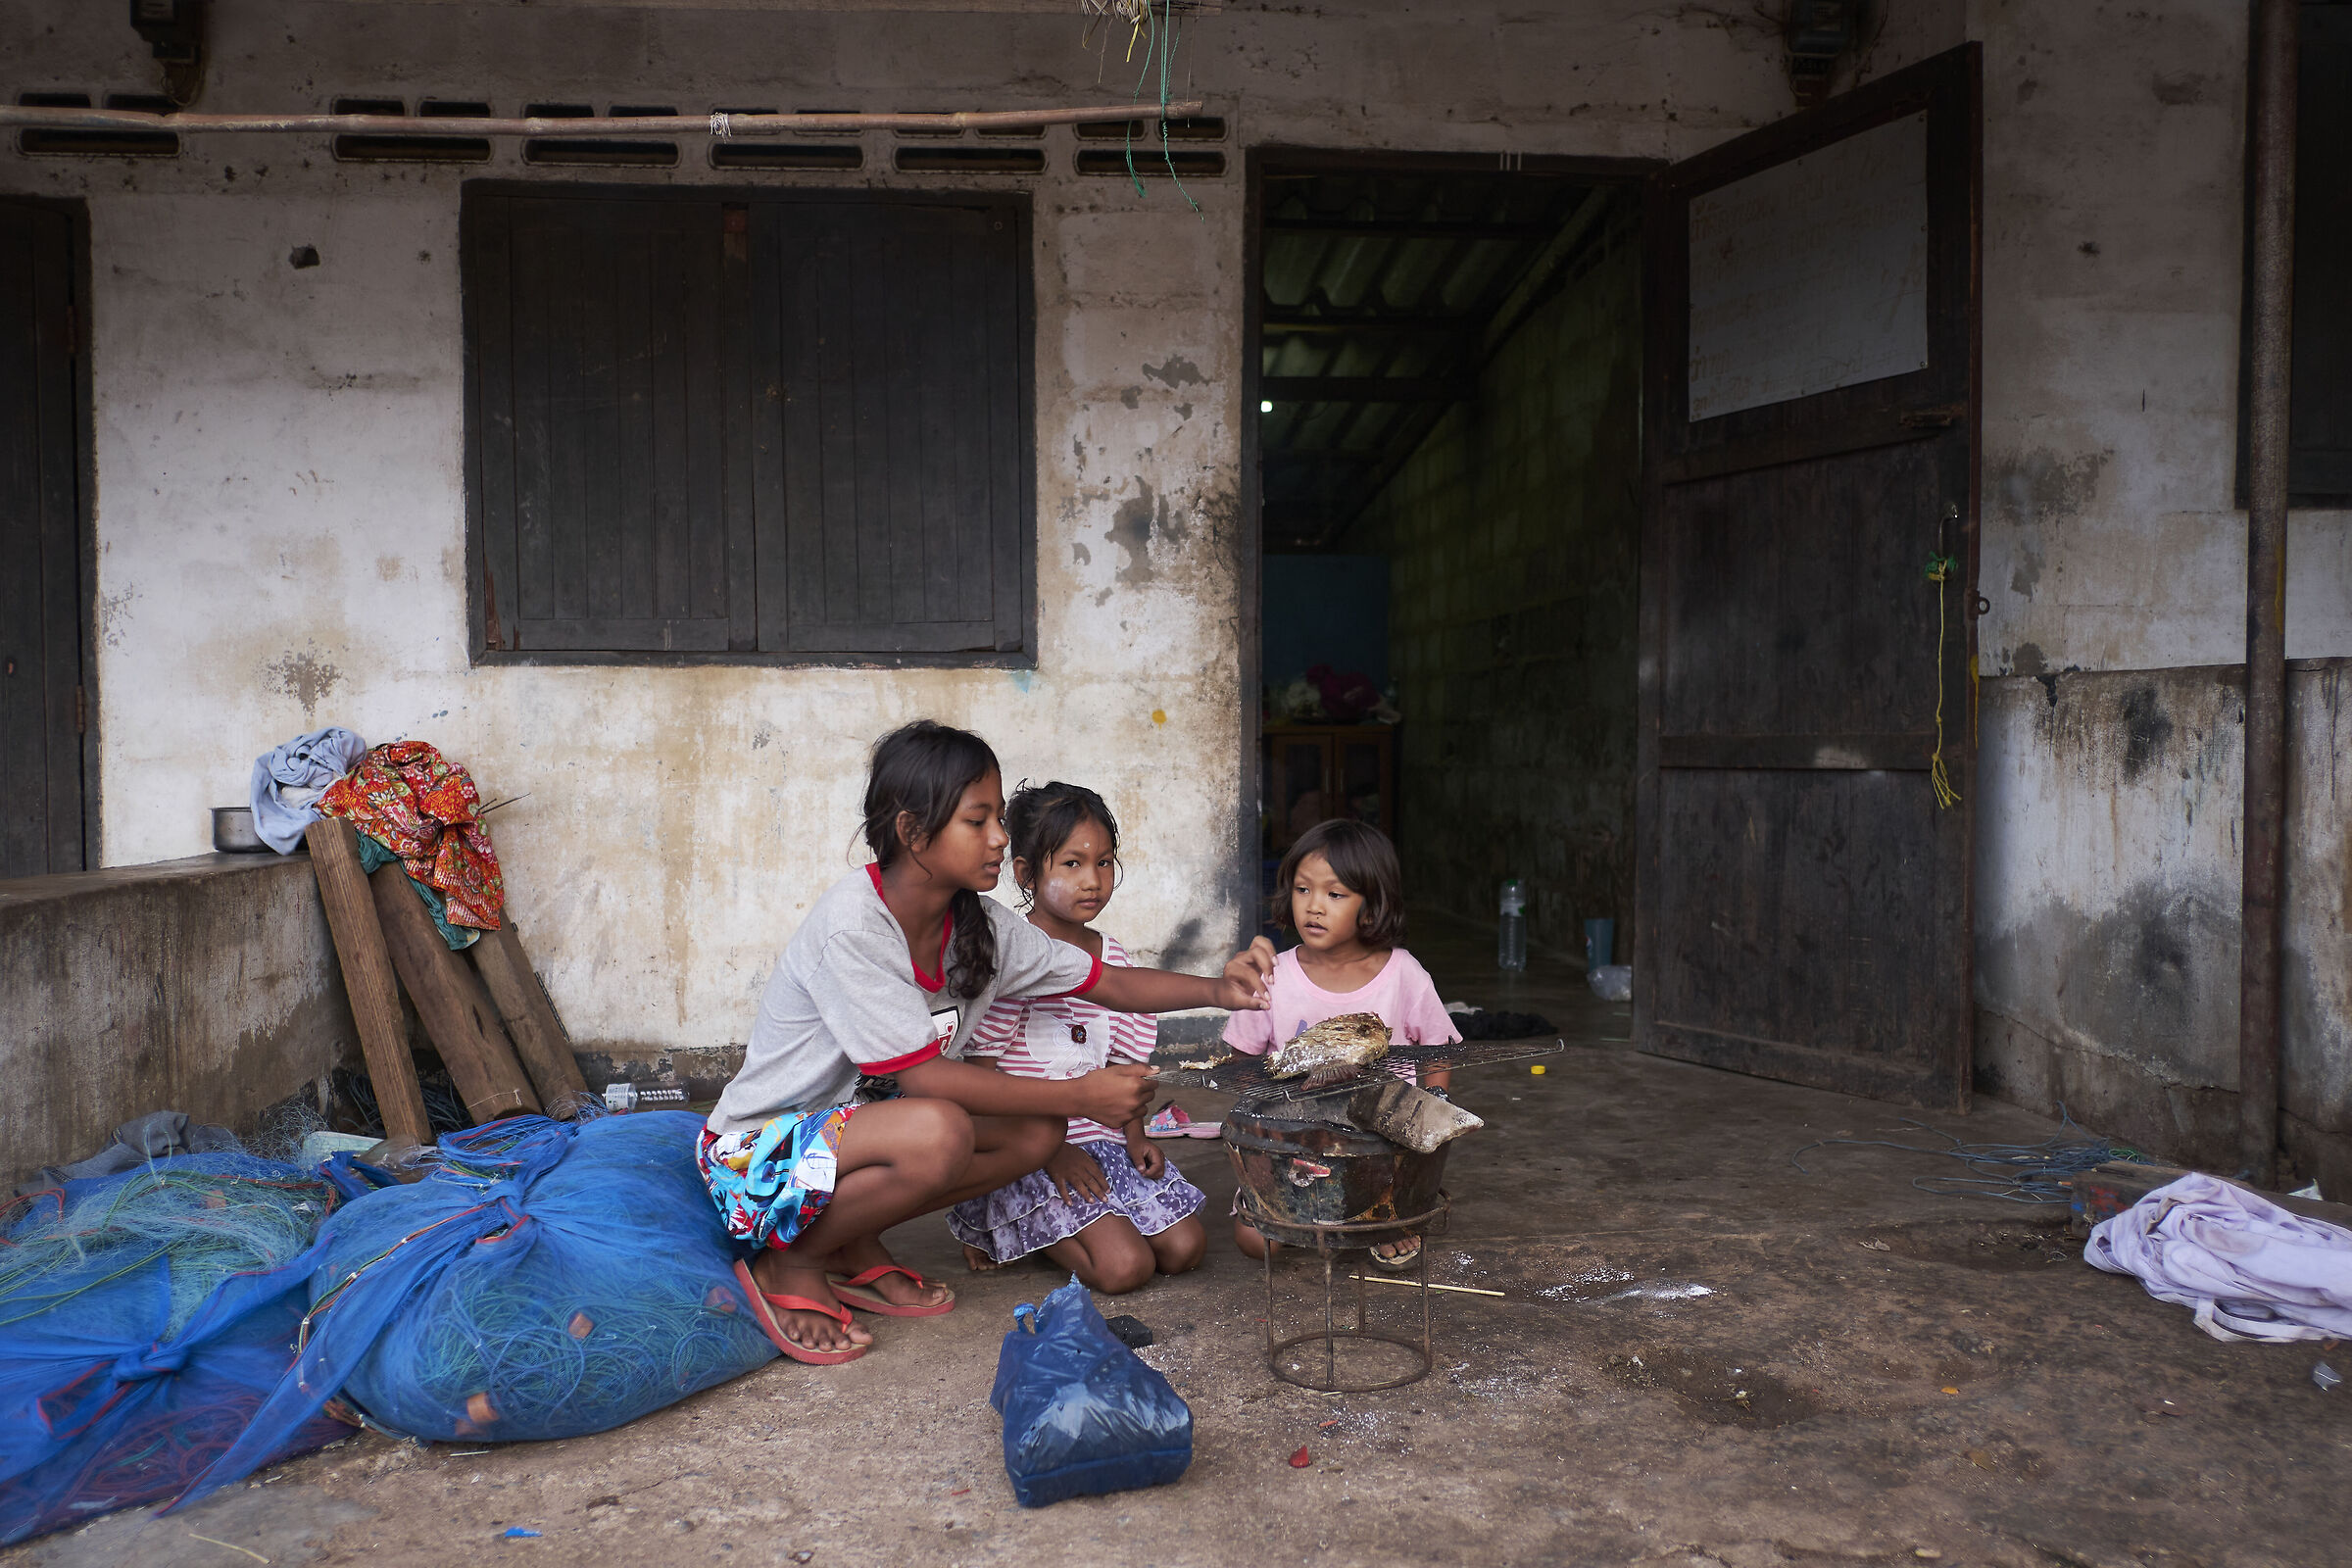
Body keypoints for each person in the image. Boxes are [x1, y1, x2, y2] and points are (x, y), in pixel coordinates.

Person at [700, 721, 1273, 1364]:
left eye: (998, 817)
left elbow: (1105, 979)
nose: (1001, 837)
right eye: (979, 820)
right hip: (757, 1161)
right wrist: (1079, 1090)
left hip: (851, 1143)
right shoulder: (854, 930)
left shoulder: (978, 924)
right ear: (914, 832)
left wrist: (1218, 990)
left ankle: (850, 1242)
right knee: (939, 1128)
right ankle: (793, 1262)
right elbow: (925, 1079)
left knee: (1037, 1133)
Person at [948, 782, 1210, 1292]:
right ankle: (1007, 1224)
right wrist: (1049, 1150)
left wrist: (1136, 1139)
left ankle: (1064, 1223)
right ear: (1025, 872)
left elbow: (1128, 1064)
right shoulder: (1011, 961)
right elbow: (980, 1084)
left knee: (1185, 1250)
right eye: (1071, 864)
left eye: (1105, 862)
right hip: (1031, 1150)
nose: (1093, 880)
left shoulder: (1116, 961)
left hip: (1106, 1143)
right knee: (1124, 1269)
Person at [1223, 818, 1459, 1268]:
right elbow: (1241, 1065)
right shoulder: (1274, 975)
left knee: (1378, 1197)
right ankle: (1332, 1217)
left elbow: (1439, 1051)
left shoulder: (1404, 974)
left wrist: (1432, 1113)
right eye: (1303, 890)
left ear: (1370, 907)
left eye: (1335, 895)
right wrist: (1265, 1139)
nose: (1314, 907)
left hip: (1379, 1146)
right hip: (1296, 1141)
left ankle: (1380, 1211)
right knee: (1258, 1243)